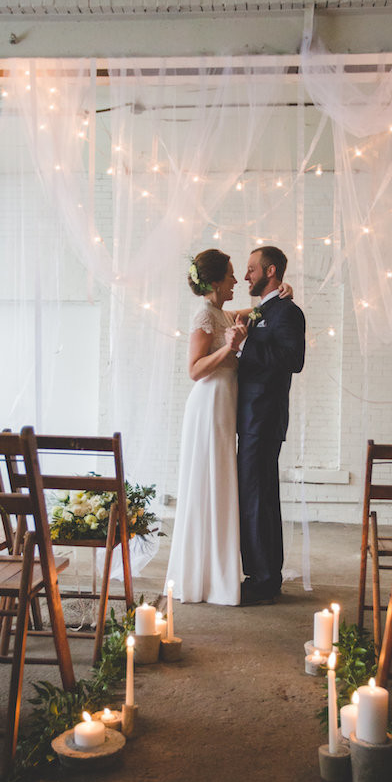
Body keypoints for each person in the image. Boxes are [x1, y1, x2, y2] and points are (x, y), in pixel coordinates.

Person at [164, 249, 292, 605]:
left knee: (221, 484)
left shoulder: (222, 313)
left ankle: (220, 570)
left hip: (226, 406)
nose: (239, 280)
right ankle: (203, 575)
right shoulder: (205, 314)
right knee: (209, 481)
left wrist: (283, 291)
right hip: (209, 405)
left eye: (244, 272)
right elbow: (194, 370)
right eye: (233, 275)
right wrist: (229, 349)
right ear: (217, 280)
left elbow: (257, 311)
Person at [236, 246, 305, 606]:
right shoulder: (267, 309)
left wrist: (248, 345)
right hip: (250, 419)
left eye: (251, 269)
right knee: (252, 497)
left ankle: (265, 580)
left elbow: (293, 359)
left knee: (259, 499)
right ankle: (259, 573)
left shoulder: (287, 312)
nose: (246, 276)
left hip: (264, 418)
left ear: (270, 271)